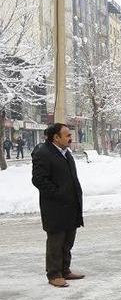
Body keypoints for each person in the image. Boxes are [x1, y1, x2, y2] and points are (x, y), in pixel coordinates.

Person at [30, 123, 85, 288]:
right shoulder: (43, 153)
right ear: (56, 137)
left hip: (71, 205)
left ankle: (65, 270)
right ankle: (54, 274)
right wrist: (58, 194)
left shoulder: (65, 153)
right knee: (56, 241)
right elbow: (38, 179)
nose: (70, 138)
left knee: (68, 240)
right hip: (55, 207)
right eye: (67, 135)